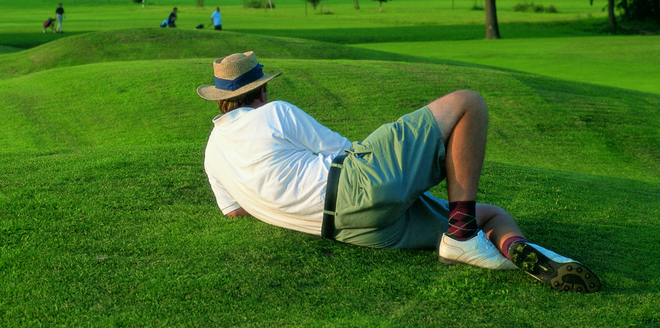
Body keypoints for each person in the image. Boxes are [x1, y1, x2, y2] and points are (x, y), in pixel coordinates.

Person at [197, 51, 601, 293]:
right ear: (261, 90)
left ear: (222, 101)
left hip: (352, 232)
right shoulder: (274, 113)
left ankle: (509, 247)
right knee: (468, 103)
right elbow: (344, 150)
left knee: (487, 218)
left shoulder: (211, 155)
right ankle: (466, 236)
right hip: (356, 187)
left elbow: (235, 212)